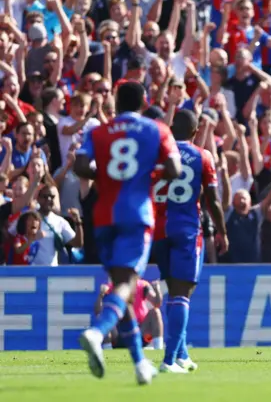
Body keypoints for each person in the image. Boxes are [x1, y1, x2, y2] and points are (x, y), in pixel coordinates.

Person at [74, 82, 181, 385]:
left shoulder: (98, 131)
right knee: (125, 286)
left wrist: (105, 174)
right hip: (136, 214)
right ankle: (97, 332)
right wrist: (148, 173)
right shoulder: (156, 129)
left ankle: (139, 363)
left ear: (116, 103)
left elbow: (81, 166)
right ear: (145, 101)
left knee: (124, 288)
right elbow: (173, 168)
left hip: (104, 216)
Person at [152, 109, 229, 373]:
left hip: (159, 228)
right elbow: (213, 199)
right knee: (183, 293)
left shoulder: (159, 153)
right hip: (186, 227)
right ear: (196, 132)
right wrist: (222, 231)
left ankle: (181, 354)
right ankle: (169, 360)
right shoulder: (202, 155)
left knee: (174, 292)